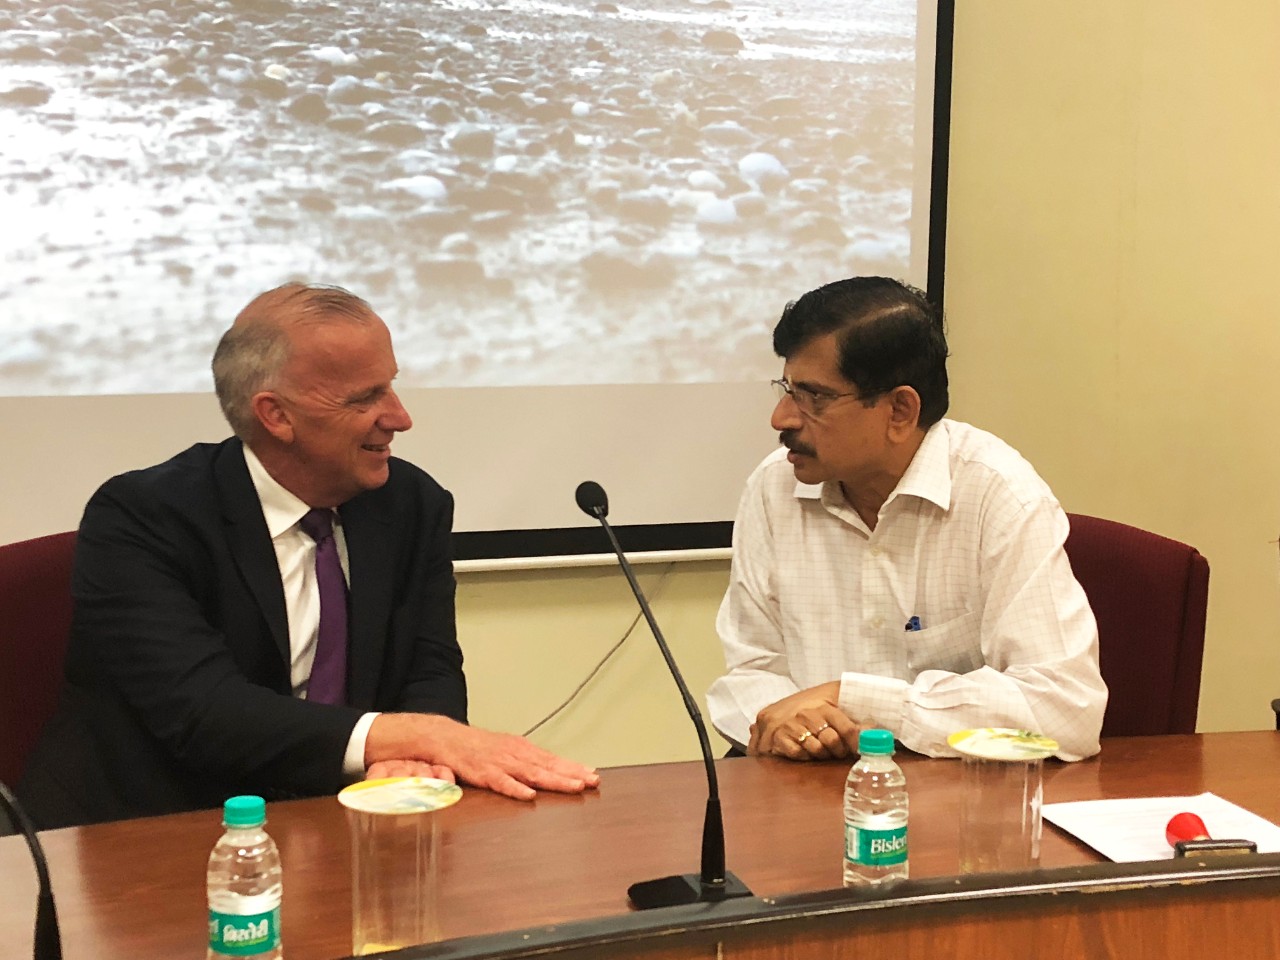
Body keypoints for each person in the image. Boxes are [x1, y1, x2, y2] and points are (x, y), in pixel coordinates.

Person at [19, 283, 598, 828]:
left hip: (338, 824)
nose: (399, 417)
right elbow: (204, 714)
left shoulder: (411, 504)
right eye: (366, 397)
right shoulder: (145, 516)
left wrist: (413, 759)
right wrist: (410, 738)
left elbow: (430, 667)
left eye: (391, 385)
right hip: (153, 832)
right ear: (276, 415)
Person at [706, 277, 1107, 763]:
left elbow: (1066, 709)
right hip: (808, 784)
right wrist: (791, 722)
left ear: (900, 409)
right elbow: (751, 670)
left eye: (815, 398)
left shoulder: (997, 494)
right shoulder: (774, 489)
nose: (782, 418)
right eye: (787, 389)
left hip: (952, 798)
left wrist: (855, 700)